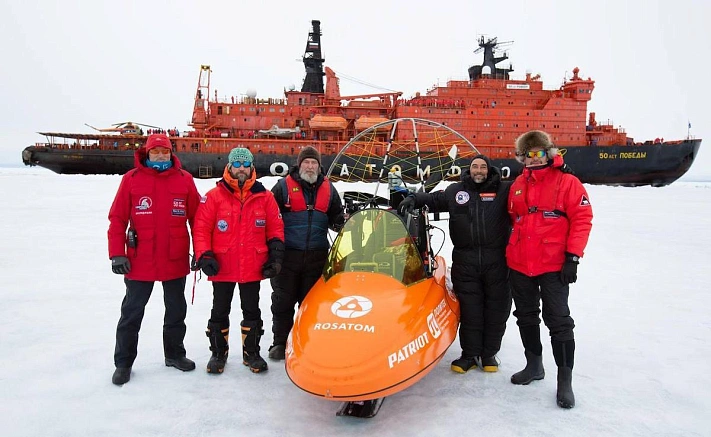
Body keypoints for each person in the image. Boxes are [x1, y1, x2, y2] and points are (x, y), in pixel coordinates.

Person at [398, 155, 512, 374]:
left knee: (496, 310)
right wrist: (414, 198)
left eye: (482, 167)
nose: (478, 171)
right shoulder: (456, 191)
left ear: (489, 170)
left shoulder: (504, 191)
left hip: (497, 261)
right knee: (470, 310)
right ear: (469, 170)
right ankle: (469, 354)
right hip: (465, 262)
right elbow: (433, 200)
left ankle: (489, 354)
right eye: (474, 167)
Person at [506, 130, 593, 409]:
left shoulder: (568, 182)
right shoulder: (517, 184)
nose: (533, 159)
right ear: (522, 157)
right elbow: (514, 218)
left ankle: (564, 381)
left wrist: (573, 257)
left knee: (559, 320)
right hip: (520, 264)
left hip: (554, 265)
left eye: (539, 153)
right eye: (528, 154)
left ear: (550, 153)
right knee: (526, 316)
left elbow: (582, 219)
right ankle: (534, 366)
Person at [107, 133, 200, 385]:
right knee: (131, 313)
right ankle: (124, 363)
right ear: (147, 154)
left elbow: (197, 220)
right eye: (156, 152)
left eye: (165, 152)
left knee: (176, 311)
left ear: (171, 154)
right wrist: (117, 253)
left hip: (175, 258)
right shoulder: (132, 180)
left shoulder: (185, 180)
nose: (161, 156)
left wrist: (201, 252)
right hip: (140, 261)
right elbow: (117, 219)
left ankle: (174, 355)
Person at [192, 147, 284, 374]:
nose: (241, 169)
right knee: (219, 310)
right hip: (222, 266)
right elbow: (201, 229)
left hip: (253, 266)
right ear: (230, 167)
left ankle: (251, 353)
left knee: (252, 310)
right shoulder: (213, 197)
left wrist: (275, 256)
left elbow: (275, 229)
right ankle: (218, 353)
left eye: (245, 164)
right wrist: (205, 255)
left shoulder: (265, 197)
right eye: (237, 164)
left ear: (251, 167)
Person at [267, 146, 345, 360]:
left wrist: (343, 222)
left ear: (319, 167)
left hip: (317, 257)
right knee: (283, 302)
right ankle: (280, 343)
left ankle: (308, 341)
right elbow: (270, 219)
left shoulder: (329, 190)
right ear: (299, 165)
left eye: (314, 163)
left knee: (311, 304)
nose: (310, 166)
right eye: (306, 162)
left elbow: (336, 217)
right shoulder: (282, 188)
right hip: (288, 256)